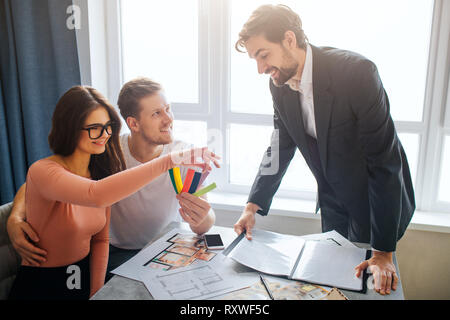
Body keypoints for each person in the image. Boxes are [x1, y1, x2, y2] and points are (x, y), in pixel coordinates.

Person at [232, 4, 415, 296]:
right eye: (255, 59)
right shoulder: (278, 85)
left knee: (373, 285)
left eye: (263, 55)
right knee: (334, 287)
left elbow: (384, 162)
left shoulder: (357, 73)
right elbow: (280, 144)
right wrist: (252, 205)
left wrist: (383, 251)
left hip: (375, 201)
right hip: (332, 202)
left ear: (289, 39)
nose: (260, 68)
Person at [6, 86, 219, 300]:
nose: (104, 135)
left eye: (108, 127)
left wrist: (98, 293)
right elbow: (82, 191)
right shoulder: (97, 157)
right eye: (95, 128)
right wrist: (14, 218)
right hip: (53, 280)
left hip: (107, 268)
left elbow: (100, 239)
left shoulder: (101, 163)